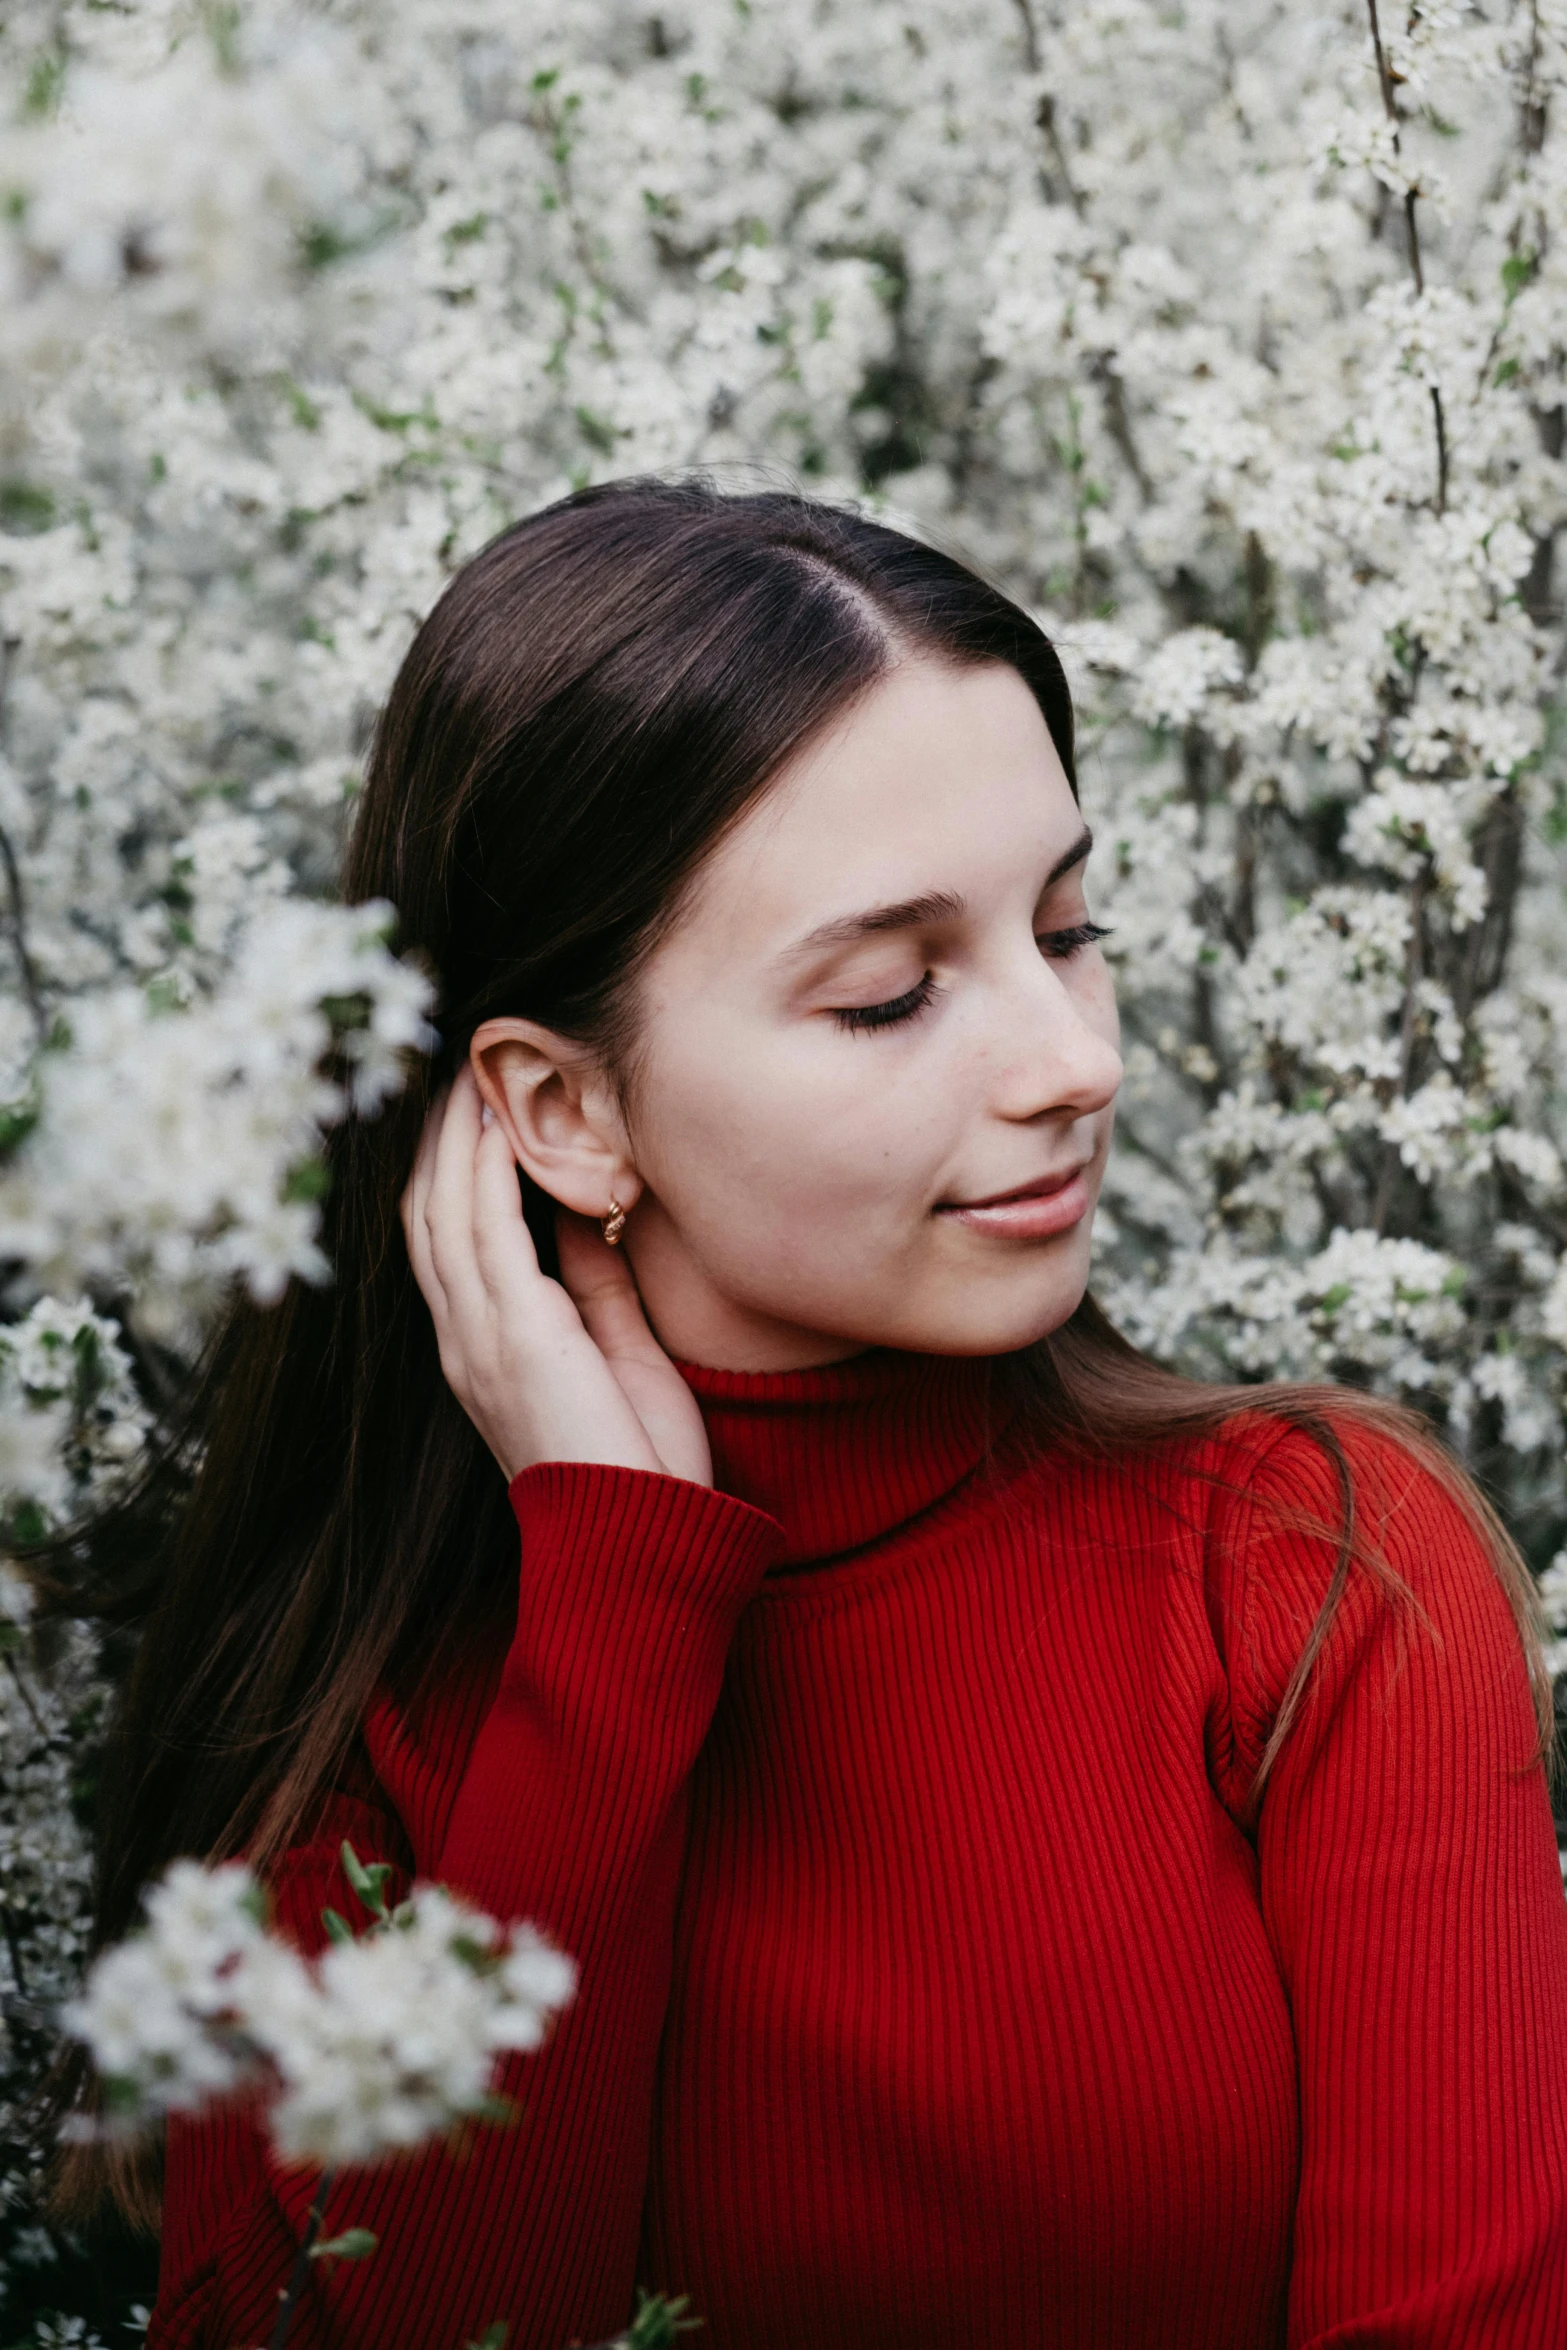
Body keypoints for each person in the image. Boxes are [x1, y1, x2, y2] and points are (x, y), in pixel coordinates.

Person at [77, 480, 1567, 2347]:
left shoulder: (1306, 1567)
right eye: (887, 993)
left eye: (1067, 924)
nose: (1075, 1059)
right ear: (558, 1110)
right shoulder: (353, 1724)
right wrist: (612, 1617)